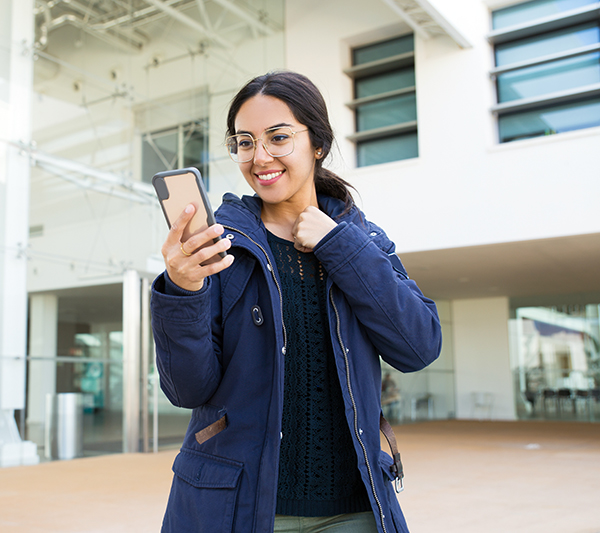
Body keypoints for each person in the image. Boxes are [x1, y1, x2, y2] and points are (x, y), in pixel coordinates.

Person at [150, 71, 442, 533]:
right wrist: (183, 291)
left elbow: (419, 346)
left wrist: (339, 245)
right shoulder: (223, 248)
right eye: (244, 142)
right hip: (240, 510)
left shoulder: (362, 240)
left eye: (278, 138)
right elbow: (188, 389)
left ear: (318, 144)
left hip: (356, 508)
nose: (259, 157)